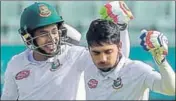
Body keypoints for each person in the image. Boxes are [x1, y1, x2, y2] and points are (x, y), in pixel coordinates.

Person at [1, 1, 132, 100]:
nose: (51, 38)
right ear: (28, 36)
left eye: (54, 31)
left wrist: (122, 27)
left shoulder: (73, 55)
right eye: (43, 34)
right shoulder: (16, 63)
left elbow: (115, 61)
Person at [79, 18, 175, 100]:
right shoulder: (85, 66)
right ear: (89, 48)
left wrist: (162, 61)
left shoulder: (137, 70)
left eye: (108, 52)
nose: (103, 58)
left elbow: (171, 89)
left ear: (119, 46)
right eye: (96, 53)